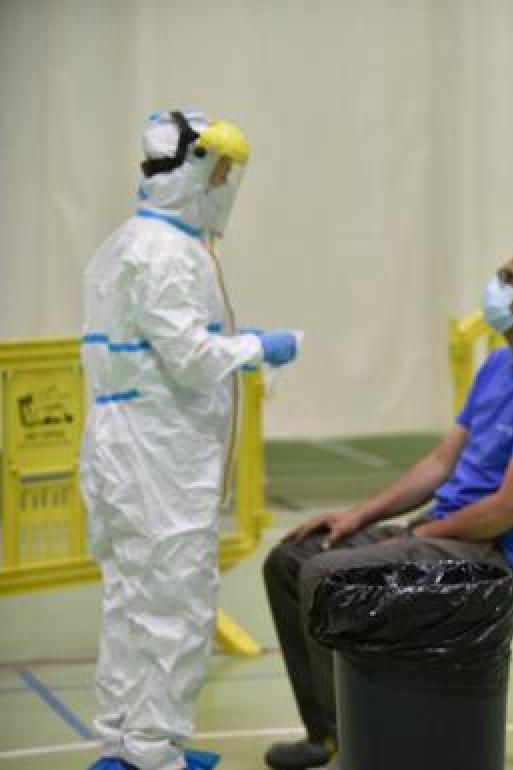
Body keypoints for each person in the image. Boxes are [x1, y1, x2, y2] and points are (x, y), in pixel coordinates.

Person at [262, 242, 513, 770]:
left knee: (325, 575)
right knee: (291, 559)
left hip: (494, 557)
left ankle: (359, 748)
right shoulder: (498, 364)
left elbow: (508, 510)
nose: (496, 285)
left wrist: (419, 535)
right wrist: (359, 516)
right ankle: (330, 734)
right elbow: (440, 463)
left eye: (509, 277)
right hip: (443, 533)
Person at [81, 110, 300, 770]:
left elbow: (164, 347)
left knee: (131, 601)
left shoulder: (129, 242)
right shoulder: (169, 254)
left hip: (126, 447)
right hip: (159, 457)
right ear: (195, 169)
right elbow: (191, 360)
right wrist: (257, 348)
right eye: (223, 171)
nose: (228, 185)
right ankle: (154, 750)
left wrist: (230, 344)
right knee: (174, 605)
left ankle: (125, 741)